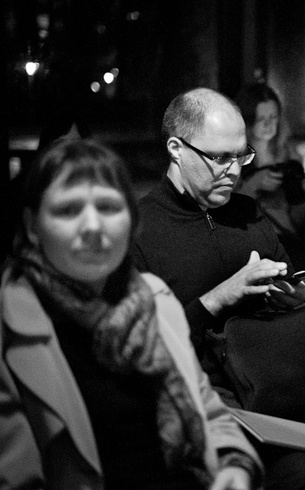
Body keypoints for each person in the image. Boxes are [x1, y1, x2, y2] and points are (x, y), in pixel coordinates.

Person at [132, 87, 305, 490]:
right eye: (220, 158)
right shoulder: (142, 229)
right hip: (211, 389)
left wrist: (296, 298)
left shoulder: (247, 212)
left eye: (241, 156)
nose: (234, 171)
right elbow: (143, 348)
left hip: (286, 375)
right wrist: (217, 299)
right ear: (176, 149)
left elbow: (294, 288)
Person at [0, 139, 262, 489]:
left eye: (109, 207)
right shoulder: (12, 324)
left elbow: (207, 409)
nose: (93, 227)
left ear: (131, 221)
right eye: (68, 210)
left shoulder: (154, 299)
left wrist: (234, 464)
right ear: (33, 227)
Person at [234, 82, 305, 277]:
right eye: (260, 118)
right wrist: (253, 184)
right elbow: (225, 210)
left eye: (273, 117)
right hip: (248, 244)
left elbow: (302, 220)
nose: (268, 125)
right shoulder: (234, 156)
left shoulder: (289, 154)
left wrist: (299, 192)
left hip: (286, 242)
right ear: (246, 120)